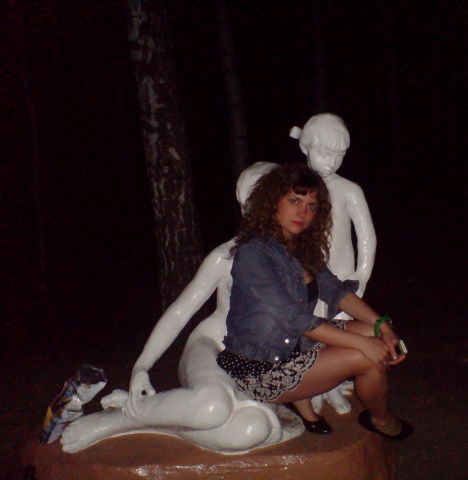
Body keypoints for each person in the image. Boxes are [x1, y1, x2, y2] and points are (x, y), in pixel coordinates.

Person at [60, 162, 305, 454]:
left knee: (252, 429)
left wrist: (328, 383)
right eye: (253, 202)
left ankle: (160, 418)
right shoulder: (227, 257)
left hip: (254, 368)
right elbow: (179, 313)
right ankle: (123, 417)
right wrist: (142, 367)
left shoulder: (302, 259)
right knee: (213, 406)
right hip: (211, 346)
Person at [217, 163, 411, 439]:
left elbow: (337, 293)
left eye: (311, 205)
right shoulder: (254, 254)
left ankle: (320, 398)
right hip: (261, 366)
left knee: (373, 333)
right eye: (294, 201)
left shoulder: (299, 247)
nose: (303, 213)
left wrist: (382, 325)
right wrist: (364, 345)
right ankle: (381, 421)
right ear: (272, 202)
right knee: (364, 356)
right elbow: (295, 319)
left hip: (296, 345)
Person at [290, 113, 376, 415]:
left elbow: (367, 236)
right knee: (311, 331)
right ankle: (313, 385)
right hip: (306, 279)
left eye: (339, 156)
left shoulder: (349, 190)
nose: (331, 162)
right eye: (324, 153)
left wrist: (362, 275)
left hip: (341, 277)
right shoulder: (295, 191)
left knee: (341, 330)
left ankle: (333, 382)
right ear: (305, 147)